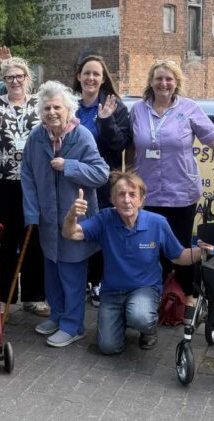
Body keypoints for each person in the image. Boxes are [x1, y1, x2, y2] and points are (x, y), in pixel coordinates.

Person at [62, 171, 214, 354]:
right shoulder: (104, 219)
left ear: (141, 200)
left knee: (141, 316)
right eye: (121, 194)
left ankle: (147, 329)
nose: (127, 200)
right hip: (112, 292)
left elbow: (178, 256)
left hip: (145, 288)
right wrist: (72, 215)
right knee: (108, 347)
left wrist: (202, 251)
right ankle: (123, 319)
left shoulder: (157, 223)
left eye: (132, 194)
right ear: (113, 200)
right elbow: (70, 233)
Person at [21, 81, 109, 348]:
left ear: (68, 109)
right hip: (48, 218)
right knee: (52, 271)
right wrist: (32, 212)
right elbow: (26, 175)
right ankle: (57, 315)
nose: (52, 112)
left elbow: (101, 174)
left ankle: (74, 326)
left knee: (71, 275)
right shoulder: (37, 137)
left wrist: (69, 166)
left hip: (75, 221)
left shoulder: (81, 136)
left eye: (57, 106)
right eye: (46, 107)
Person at [128, 60, 214, 309]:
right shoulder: (137, 109)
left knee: (179, 244)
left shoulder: (189, 108)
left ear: (177, 82)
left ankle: (187, 293)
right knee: (148, 245)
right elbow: (128, 147)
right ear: (151, 82)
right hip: (145, 193)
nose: (164, 83)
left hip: (181, 191)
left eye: (169, 79)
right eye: (159, 78)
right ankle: (153, 292)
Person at [0, 57, 47, 317]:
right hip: (1, 183)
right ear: (3, 80)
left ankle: (34, 296)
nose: (15, 81)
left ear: (28, 78)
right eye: (9, 77)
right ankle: (2, 296)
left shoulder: (41, 105)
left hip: (34, 183)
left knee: (34, 237)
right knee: (4, 239)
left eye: (20, 76)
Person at [71, 52, 132, 307]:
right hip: (72, 179)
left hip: (101, 183)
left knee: (99, 231)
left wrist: (105, 121)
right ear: (78, 77)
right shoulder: (68, 103)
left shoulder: (114, 106)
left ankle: (97, 282)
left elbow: (120, 145)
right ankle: (78, 282)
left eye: (96, 74)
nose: (91, 78)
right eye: (87, 73)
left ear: (103, 78)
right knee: (75, 230)